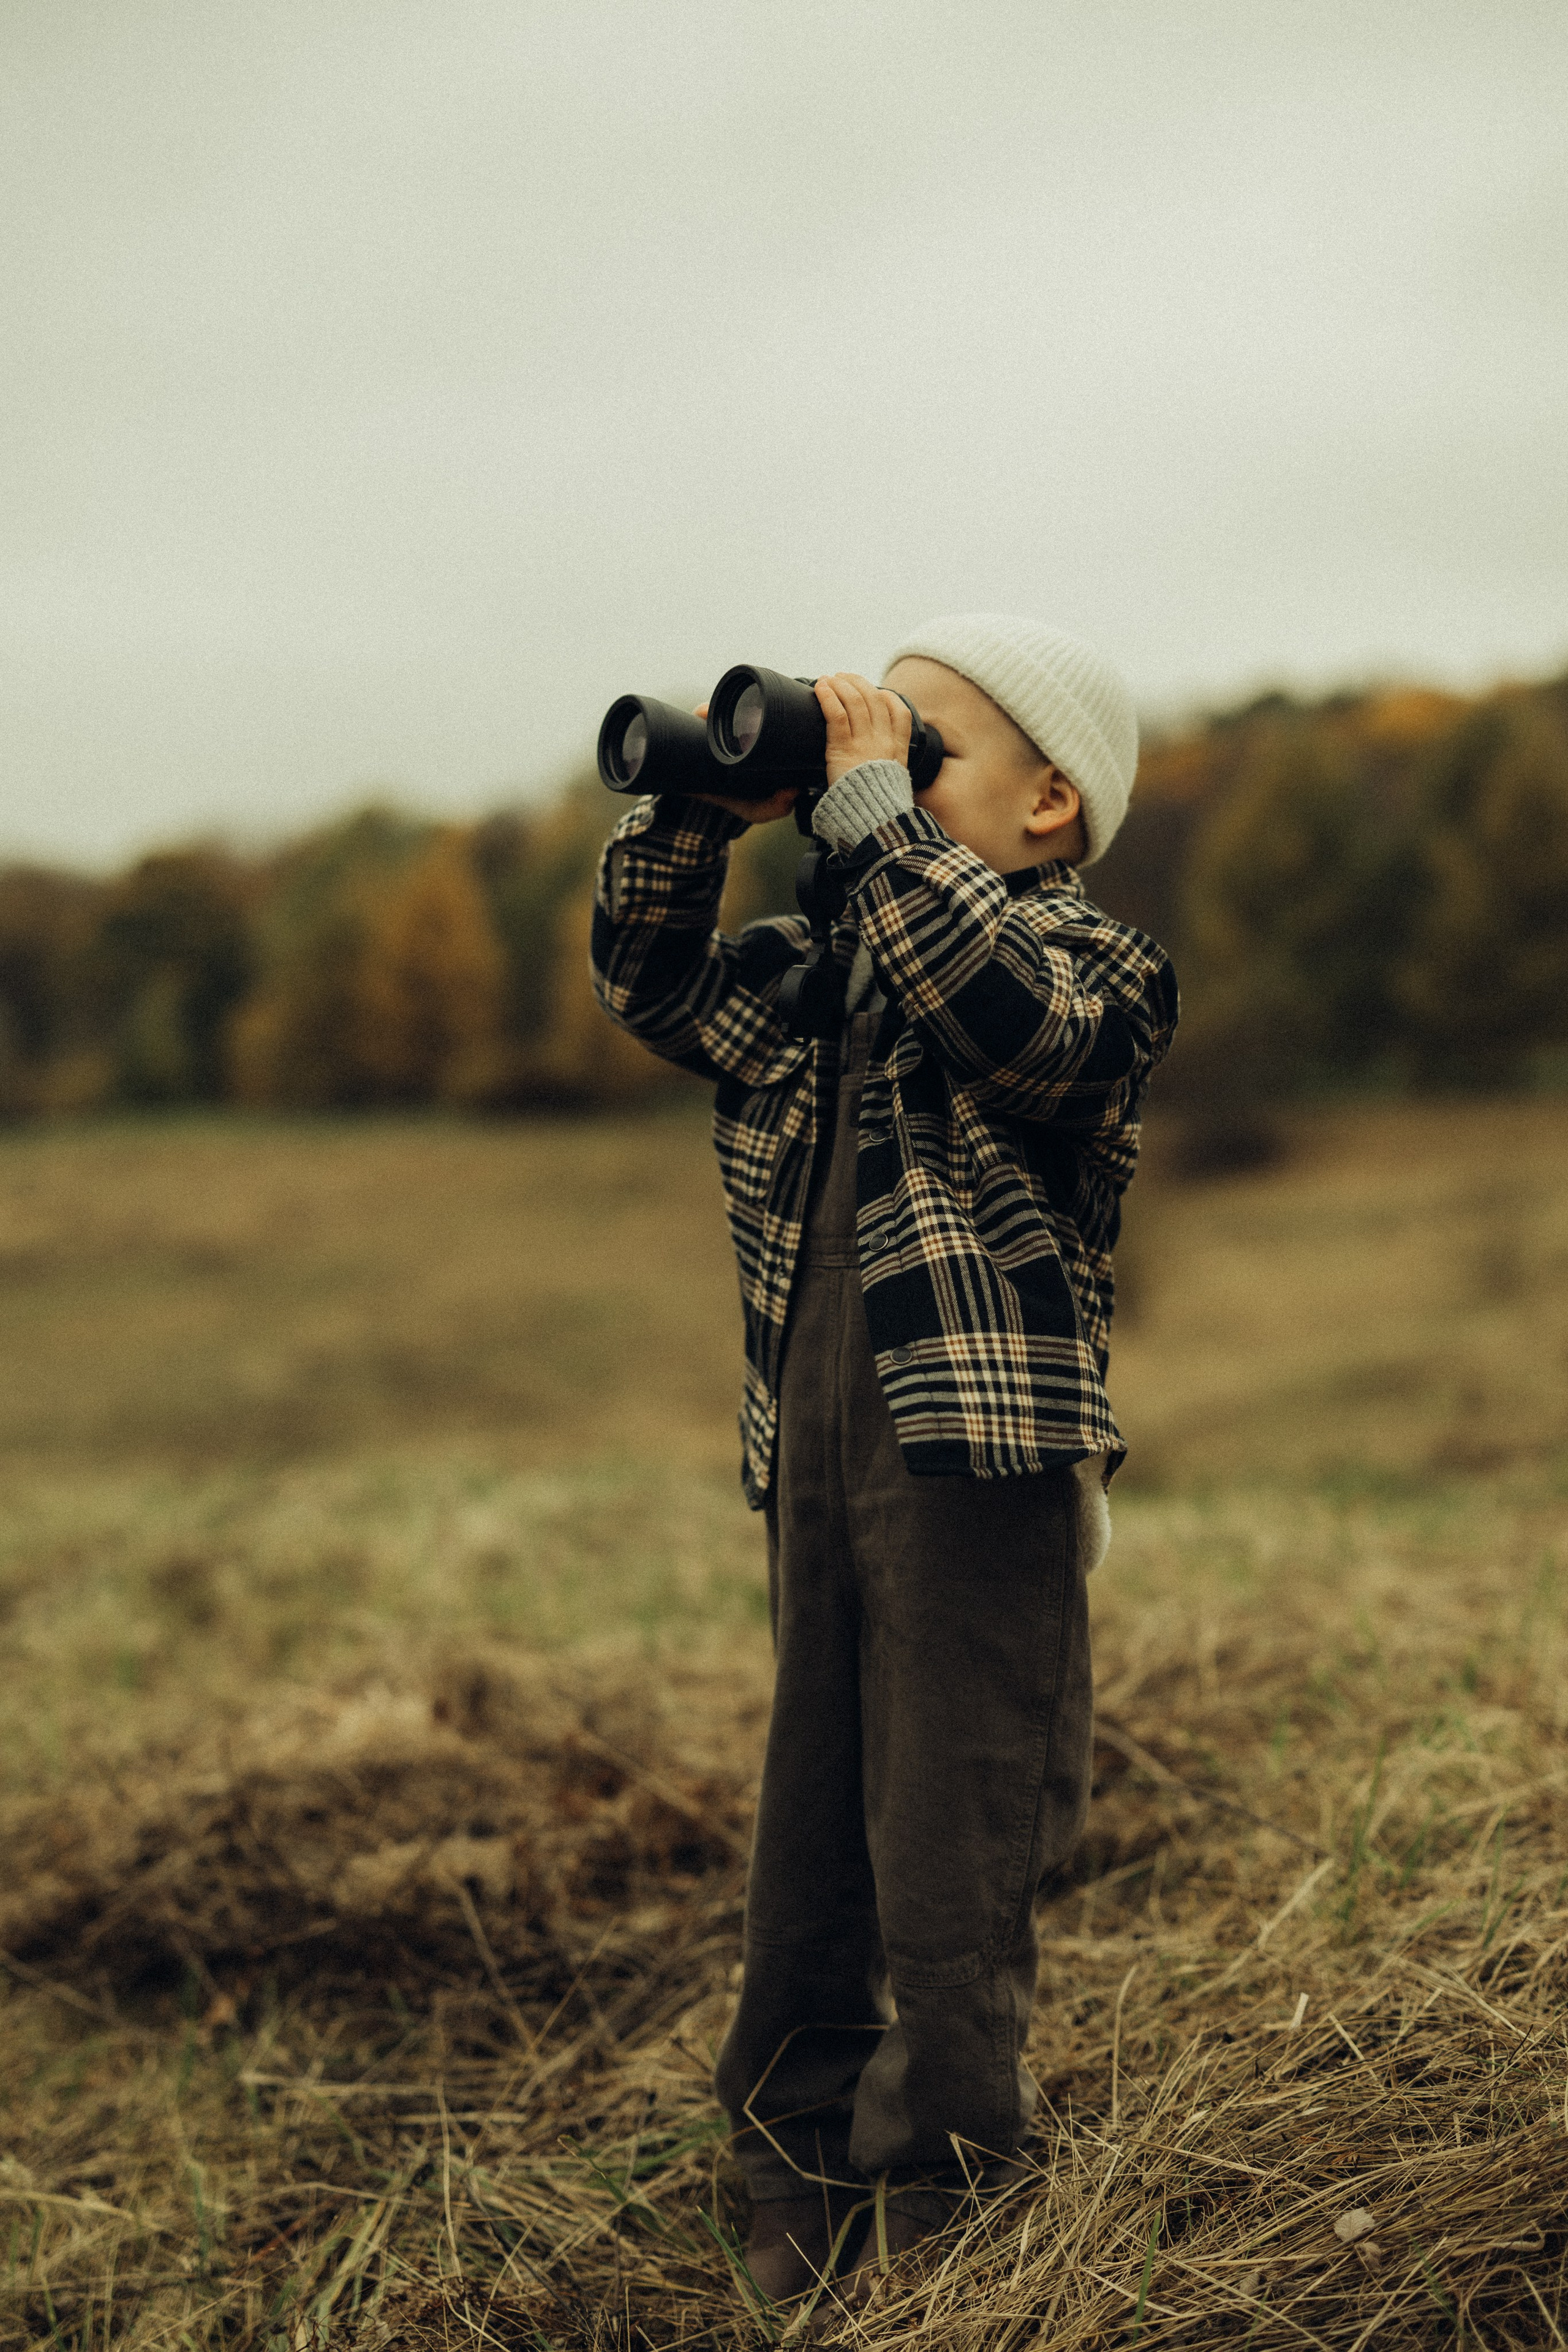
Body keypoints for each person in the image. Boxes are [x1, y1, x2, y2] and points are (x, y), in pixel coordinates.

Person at [590, 614, 1178, 2305]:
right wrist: (698, 815)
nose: (877, 780)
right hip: (815, 1443)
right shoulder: (828, 973)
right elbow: (654, 987)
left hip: (982, 1461)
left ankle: (939, 2180)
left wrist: (871, 824)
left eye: (921, 755)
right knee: (813, 1826)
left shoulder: (1095, 967)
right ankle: (794, 2153)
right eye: (868, 749)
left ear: (1053, 808)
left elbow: (1007, 1024)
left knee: (950, 1830)